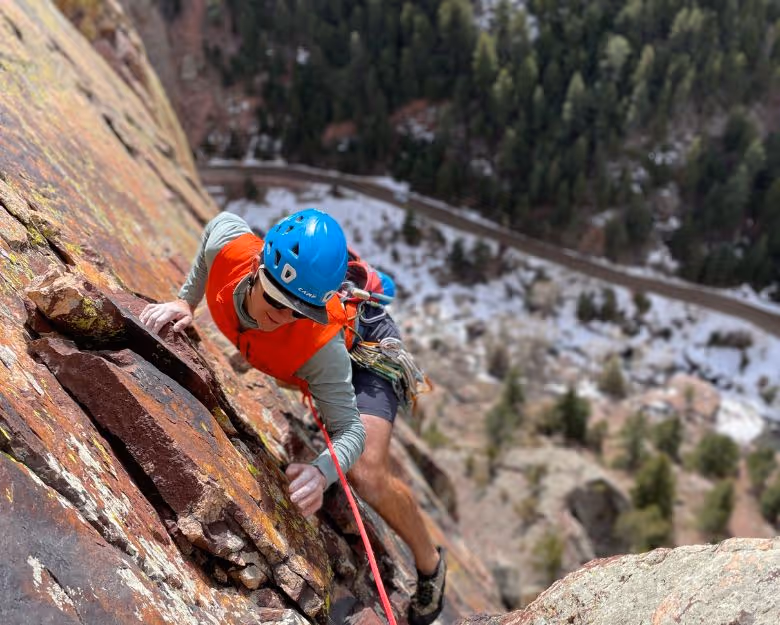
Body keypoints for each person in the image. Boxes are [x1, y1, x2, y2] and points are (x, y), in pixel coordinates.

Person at [140, 209, 446, 625]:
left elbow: (349, 430)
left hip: (366, 350)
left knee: (368, 474)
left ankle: (431, 565)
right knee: (286, 358)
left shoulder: (318, 345)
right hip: (306, 360)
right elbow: (219, 223)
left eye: (299, 311)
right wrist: (185, 299)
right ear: (260, 268)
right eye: (276, 301)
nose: (282, 317)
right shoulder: (231, 250)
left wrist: (323, 472)